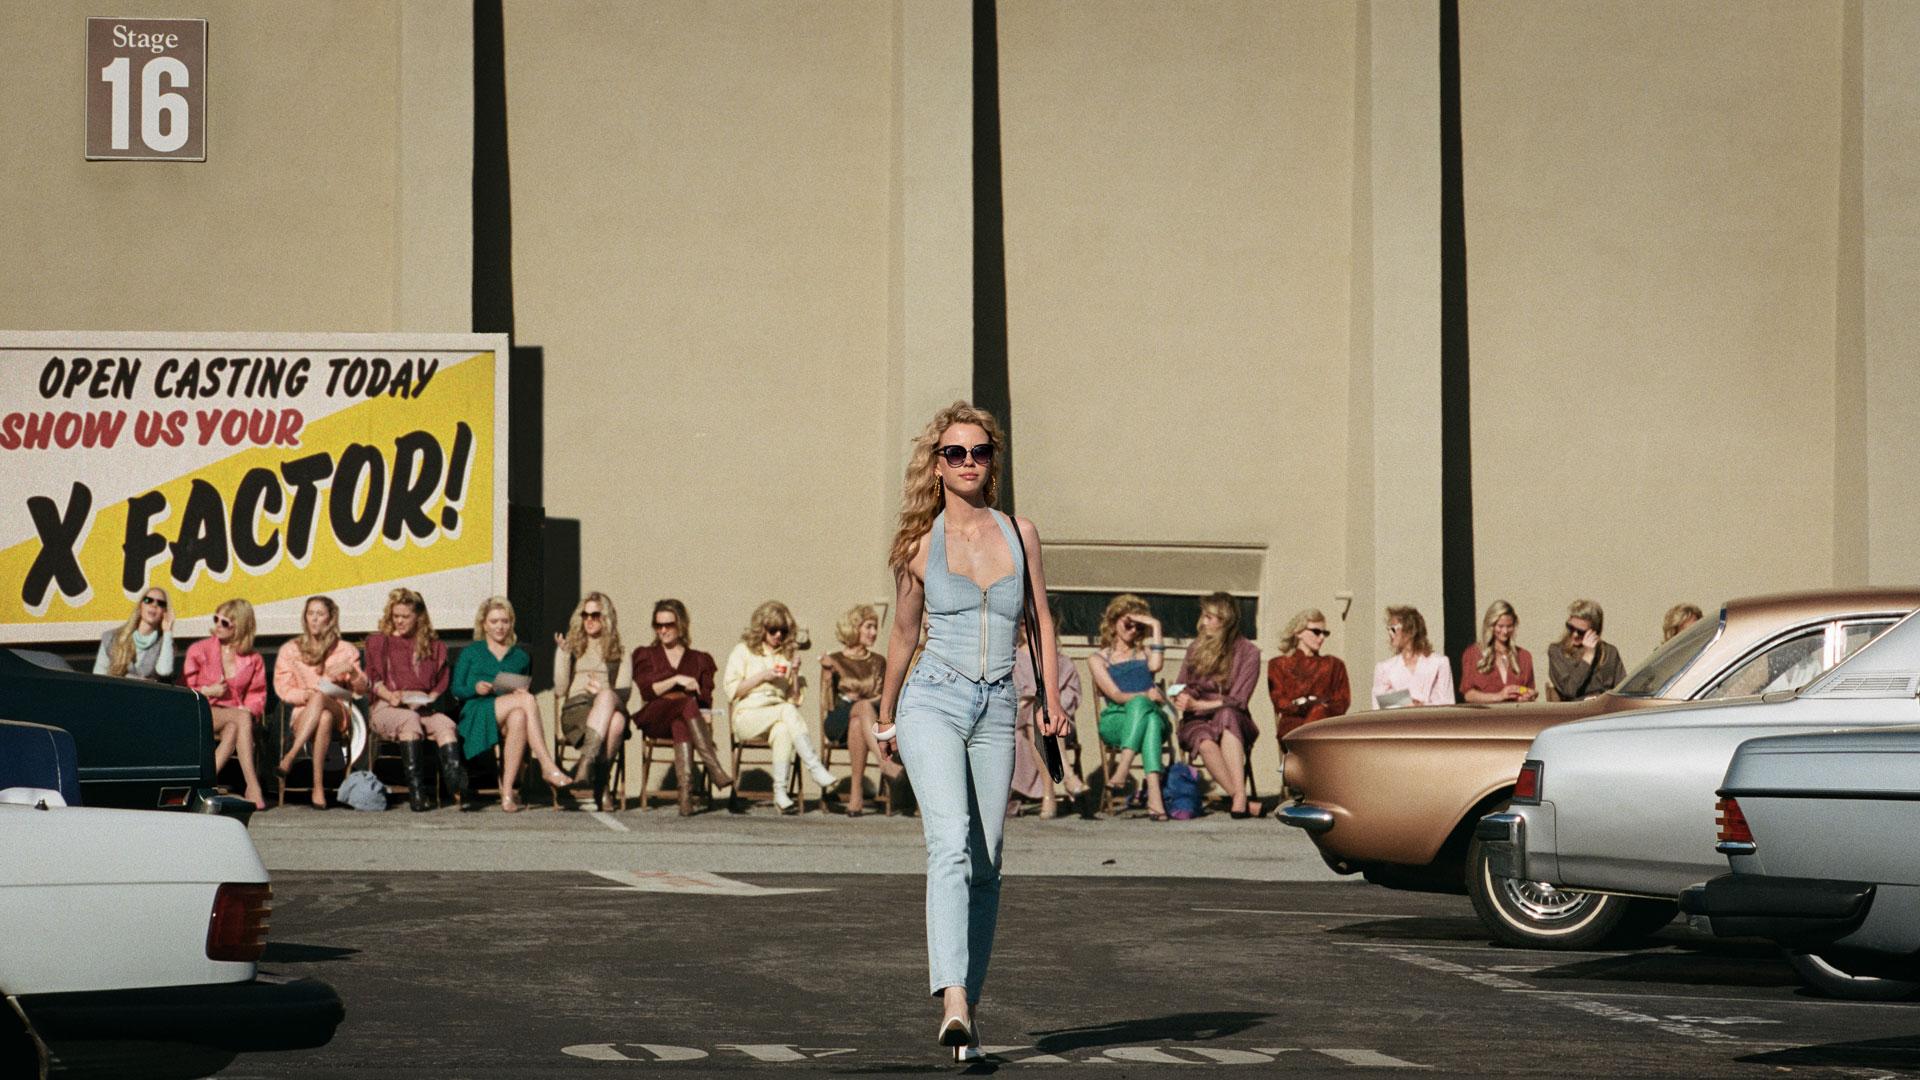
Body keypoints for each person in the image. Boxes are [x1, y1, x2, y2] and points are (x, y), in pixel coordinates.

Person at [876, 401, 1066, 1062]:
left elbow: (1041, 620)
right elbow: (902, 635)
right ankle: (952, 997)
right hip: (932, 698)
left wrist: (1049, 702)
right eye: (954, 452)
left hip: (998, 705)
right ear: (937, 464)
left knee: (988, 862)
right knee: (950, 841)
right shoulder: (917, 545)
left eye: (979, 451)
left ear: (992, 460)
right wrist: (885, 714)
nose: (968, 462)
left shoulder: (1019, 532)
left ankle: (969, 1014)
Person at [453, 595, 571, 812]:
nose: (500, 626)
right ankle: (547, 765)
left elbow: (522, 687)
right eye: (494, 621)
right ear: (484, 625)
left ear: (511, 624)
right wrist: (475, 688)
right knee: (527, 700)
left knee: (519, 716)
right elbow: (456, 689)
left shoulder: (520, 656)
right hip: (477, 710)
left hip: (508, 711)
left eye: (504, 621)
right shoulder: (471, 652)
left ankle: (507, 792)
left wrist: (518, 691)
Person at [724, 600, 837, 814]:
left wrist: (794, 673)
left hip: (777, 713)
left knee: (784, 729)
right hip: (748, 714)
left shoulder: (786, 655)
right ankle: (815, 767)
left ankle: (781, 793)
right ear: (762, 628)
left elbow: (795, 700)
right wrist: (763, 676)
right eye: (773, 630)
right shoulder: (743, 651)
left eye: (783, 631)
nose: (778, 635)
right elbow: (732, 690)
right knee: (786, 711)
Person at [364, 588, 469, 812]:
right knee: (409, 720)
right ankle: (417, 792)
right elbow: (372, 680)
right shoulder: (379, 642)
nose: (399, 621)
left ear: (418, 617)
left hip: (420, 708)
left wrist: (428, 698)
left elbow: (440, 683)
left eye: (405, 616)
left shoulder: (433, 646)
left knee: (445, 724)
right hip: (387, 707)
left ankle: (455, 780)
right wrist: (391, 696)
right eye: (396, 616)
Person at [631, 598, 733, 815]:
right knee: (686, 701)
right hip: (656, 717)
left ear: (681, 625)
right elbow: (647, 691)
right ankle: (714, 767)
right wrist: (676, 679)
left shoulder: (699, 659)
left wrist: (705, 713)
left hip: (687, 720)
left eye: (669, 625)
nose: (663, 630)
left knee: (682, 721)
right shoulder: (647, 654)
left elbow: (705, 699)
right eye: (658, 625)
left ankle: (685, 796)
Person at [274, 595, 369, 810]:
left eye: (320, 614)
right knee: (322, 715)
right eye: (310, 614)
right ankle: (318, 787)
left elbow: (361, 690)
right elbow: (283, 688)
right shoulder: (291, 650)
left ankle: (290, 755)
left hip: (339, 711)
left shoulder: (346, 650)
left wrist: (352, 672)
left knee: (322, 701)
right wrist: (304, 695)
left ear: (330, 618)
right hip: (304, 712)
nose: (314, 619)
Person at [1173, 592, 1262, 819]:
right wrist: (1181, 696)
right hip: (1197, 719)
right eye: (1203, 616)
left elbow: (1239, 700)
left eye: (1210, 617)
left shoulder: (1249, 652)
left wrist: (1200, 704)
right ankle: (1239, 797)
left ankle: (1239, 798)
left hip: (1235, 719)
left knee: (1228, 714)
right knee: (1203, 740)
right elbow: (1180, 685)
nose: (1203, 622)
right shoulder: (1195, 648)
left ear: (1226, 620)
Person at [1087, 594, 1171, 820]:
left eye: (1139, 627)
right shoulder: (1098, 659)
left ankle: (1122, 768)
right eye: (1128, 624)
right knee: (1144, 710)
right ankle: (1155, 799)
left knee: (1150, 717)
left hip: (1151, 717)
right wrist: (1146, 695)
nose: (1133, 630)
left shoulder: (1145, 653)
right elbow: (1116, 695)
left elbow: (1157, 665)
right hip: (1117, 719)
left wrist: (1156, 625)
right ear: (1114, 621)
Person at [182, 599, 268, 809]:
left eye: (225, 622)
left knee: (233, 729)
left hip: (232, 715)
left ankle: (201, 784)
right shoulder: (199, 650)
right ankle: (252, 785)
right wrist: (208, 691)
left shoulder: (253, 658)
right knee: (241, 718)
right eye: (216, 619)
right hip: (201, 710)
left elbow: (257, 694)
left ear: (240, 626)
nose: (218, 625)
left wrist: (249, 708)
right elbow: (185, 689)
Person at [552, 592, 633, 812]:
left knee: (609, 704)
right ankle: (602, 785)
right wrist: (562, 655)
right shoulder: (572, 648)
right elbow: (560, 690)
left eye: (595, 615)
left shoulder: (620, 651)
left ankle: (586, 767)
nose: (589, 620)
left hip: (609, 704)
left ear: (606, 618)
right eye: (585, 615)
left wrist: (603, 693)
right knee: (616, 722)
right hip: (577, 709)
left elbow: (624, 694)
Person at [1010, 601, 1087, 818]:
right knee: (1035, 713)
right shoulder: (1011, 659)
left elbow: (1072, 695)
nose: (1028, 626)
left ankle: (1049, 794)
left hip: (1058, 723)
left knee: (1042, 715)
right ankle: (1068, 776)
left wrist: (1050, 703)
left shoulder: (1062, 662)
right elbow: (1009, 695)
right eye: (1023, 622)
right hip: (1018, 722)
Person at [822, 603, 899, 817]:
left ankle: (855, 796)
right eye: (868, 627)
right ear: (854, 628)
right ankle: (885, 762)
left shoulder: (878, 661)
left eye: (875, 627)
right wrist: (827, 677)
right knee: (861, 707)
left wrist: (861, 699)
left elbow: (882, 696)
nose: (873, 632)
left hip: (866, 718)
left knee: (859, 718)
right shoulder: (834, 659)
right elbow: (828, 703)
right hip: (838, 718)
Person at [1266, 608, 1351, 742]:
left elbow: (1342, 702)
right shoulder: (1278, 664)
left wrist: (1318, 707)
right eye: (1316, 632)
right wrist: (1306, 704)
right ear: (1299, 633)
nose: (1321, 637)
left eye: (1325, 633)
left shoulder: (1334, 665)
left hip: (1326, 728)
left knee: (1320, 713)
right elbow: (1279, 701)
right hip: (1293, 730)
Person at [1371, 605, 1454, 709]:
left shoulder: (1439, 663)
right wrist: (1406, 702)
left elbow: (1447, 703)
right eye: (1388, 629)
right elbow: (1377, 705)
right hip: (1398, 719)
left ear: (1410, 631)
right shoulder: (1384, 668)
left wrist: (1421, 705)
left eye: (1393, 629)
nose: (1390, 633)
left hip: (1430, 718)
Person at [1458, 600, 1537, 704]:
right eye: (1500, 626)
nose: (1505, 631)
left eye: (1509, 626)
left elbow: (1529, 689)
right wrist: (1498, 696)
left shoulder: (1524, 656)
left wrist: (1528, 696)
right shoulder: (1473, 654)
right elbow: (1468, 695)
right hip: (1486, 713)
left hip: (1516, 713)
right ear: (1490, 625)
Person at [1547, 599, 1626, 702]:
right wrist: (1587, 657)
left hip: (1605, 706)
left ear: (1594, 632)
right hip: (1575, 708)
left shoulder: (1610, 652)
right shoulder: (1557, 651)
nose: (1575, 635)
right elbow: (1569, 689)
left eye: (1581, 632)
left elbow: (1622, 688)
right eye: (1571, 628)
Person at [94, 586, 175, 681]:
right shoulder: (112, 637)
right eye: (148, 600)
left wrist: (167, 631)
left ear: (165, 612)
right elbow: (99, 676)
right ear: (140, 606)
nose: (154, 605)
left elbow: (164, 671)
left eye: (161, 603)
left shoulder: (165, 644)